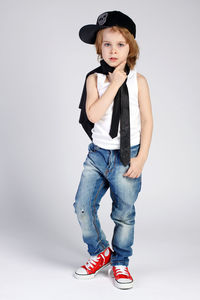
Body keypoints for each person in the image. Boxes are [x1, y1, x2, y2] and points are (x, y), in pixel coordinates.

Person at [73, 10, 153, 290]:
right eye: (107, 44)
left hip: (127, 155)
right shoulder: (93, 79)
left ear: (130, 46)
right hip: (97, 155)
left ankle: (120, 261)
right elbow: (93, 115)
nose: (113, 50)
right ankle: (100, 251)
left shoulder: (139, 81)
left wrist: (141, 157)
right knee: (82, 206)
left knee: (124, 213)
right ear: (99, 47)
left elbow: (146, 120)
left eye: (120, 44)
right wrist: (113, 84)